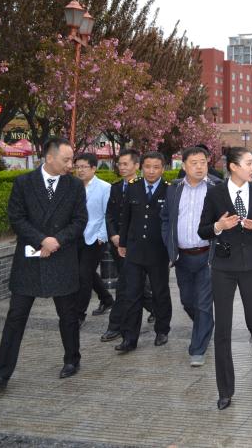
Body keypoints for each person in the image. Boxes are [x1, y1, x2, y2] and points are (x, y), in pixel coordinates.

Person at [0, 137, 87, 389]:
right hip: (29, 262)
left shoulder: (74, 186)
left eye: (72, 160)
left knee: (68, 315)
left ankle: (72, 360)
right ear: (49, 157)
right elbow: (17, 218)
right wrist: (42, 240)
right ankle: (2, 373)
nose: (71, 165)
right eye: (66, 160)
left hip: (61, 258)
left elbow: (79, 221)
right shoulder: (23, 183)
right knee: (15, 317)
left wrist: (56, 241)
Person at [198, 147, 252, 410]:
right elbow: (203, 229)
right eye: (249, 163)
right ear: (233, 166)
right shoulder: (215, 193)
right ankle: (225, 390)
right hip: (223, 267)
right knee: (223, 329)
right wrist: (219, 226)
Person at [161, 146, 221, 367]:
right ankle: (205, 326)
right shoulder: (174, 188)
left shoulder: (217, 187)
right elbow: (166, 218)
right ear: (184, 165)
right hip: (182, 256)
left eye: (203, 162)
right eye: (194, 163)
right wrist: (170, 245)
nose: (199, 167)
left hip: (207, 256)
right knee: (187, 301)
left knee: (204, 304)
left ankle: (198, 349)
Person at [115, 152, 172, 353]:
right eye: (147, 166)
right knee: (132, 294)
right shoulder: (133, 187)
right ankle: (129, 338)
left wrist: (172, 249)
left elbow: (171, 222)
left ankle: (162, 330)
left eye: (156, 167)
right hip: (135, 250)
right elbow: (126, 218)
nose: (151, 171)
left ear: (163, 169)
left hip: (158, 251)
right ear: (141, 167)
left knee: (160, 292)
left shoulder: (169, 190)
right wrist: (122, 243)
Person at [101, 149, 153, 342]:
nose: (121, 167)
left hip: (137, 246)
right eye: (119, 164)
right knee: (134, 284)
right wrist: (114, 235)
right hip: (118, 245)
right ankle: (157, 308)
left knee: (124, 286)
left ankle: (115, 325)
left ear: (136, 166)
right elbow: (110, 215)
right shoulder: (115, 188)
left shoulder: (145, 187)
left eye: (125, 164)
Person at [73, 153, 113, 326]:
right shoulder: (73, 186)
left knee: (83, 276)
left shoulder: (104, 187)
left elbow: (107, 214)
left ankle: (79, 314)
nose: (80, 170)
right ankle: (107, 299)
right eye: (77, 167)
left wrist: (101, 235)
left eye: (84, 167)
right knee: (86, 272)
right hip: (75, 237)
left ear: (93, 168)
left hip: (95, 238)